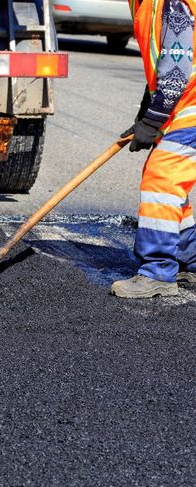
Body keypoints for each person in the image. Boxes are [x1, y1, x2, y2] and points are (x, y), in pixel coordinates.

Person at [112, 0, 196, 298]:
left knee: (161, 178)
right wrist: (145, 114)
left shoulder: (172, 4)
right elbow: (162, 65)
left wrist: (153, 119)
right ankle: (189, 260)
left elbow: (177, 68)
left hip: (192, 109)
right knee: (171, 184)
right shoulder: (148, 3)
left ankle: (158, 273)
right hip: (185, 106)